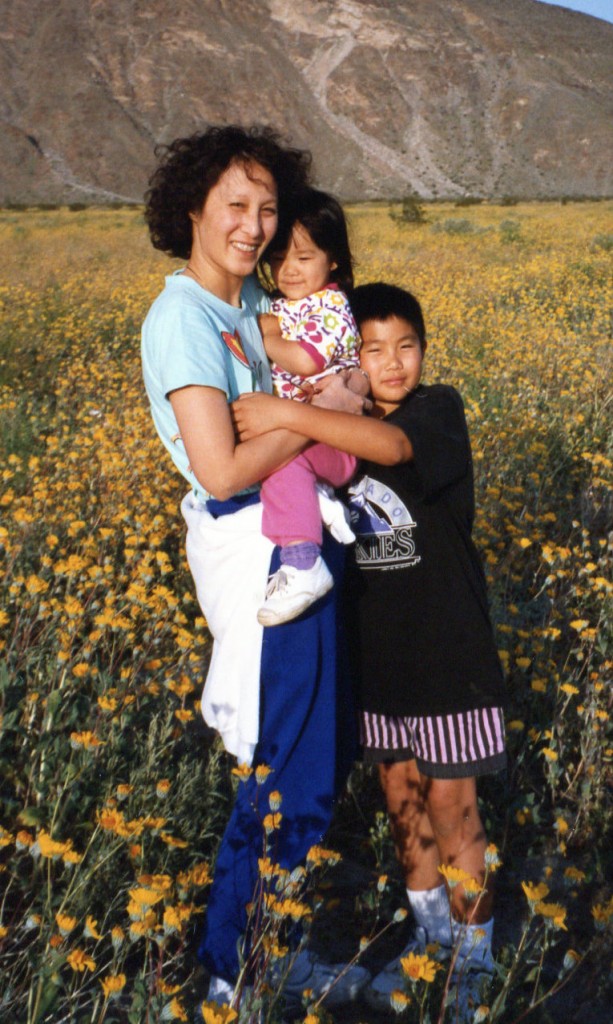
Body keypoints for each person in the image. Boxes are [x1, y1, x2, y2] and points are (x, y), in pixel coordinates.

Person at [232, 282, 507, 1020]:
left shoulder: (434, 410)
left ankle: (474, 959)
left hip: (450, 659)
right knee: (402, 805)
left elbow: (389, 448)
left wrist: (288, 411)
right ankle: (431, 942)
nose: (391, 363)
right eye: (371, 350)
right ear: (351, 356)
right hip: (379, 665)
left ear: (424, 350)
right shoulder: (331, 425)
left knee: (453, 807)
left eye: (405, 347)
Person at [140, 125, 369, 1011]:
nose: (254, 224)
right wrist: (314, 418)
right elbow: (221, 467)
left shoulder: (236, 311)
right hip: (264, 558)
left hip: (290, 538)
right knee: (290, 774)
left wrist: (281, 408)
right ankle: (238, 970)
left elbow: (305, 388)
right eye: (236, 204)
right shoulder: (183, 319)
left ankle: (257, 949)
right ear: (192, 208)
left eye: (267, 208)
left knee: (299, 764)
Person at [255, 187, 368, 627]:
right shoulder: (286, 306)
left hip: (336, 442)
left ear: (333, 259)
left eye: (304, 258)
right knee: (281, 455)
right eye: (279, 257)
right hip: (309, 437)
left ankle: (303, 564)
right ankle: (314, 501)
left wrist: (266, 337)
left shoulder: (332, 305)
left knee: (282, 459)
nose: (288, 270)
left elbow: (305, 360)